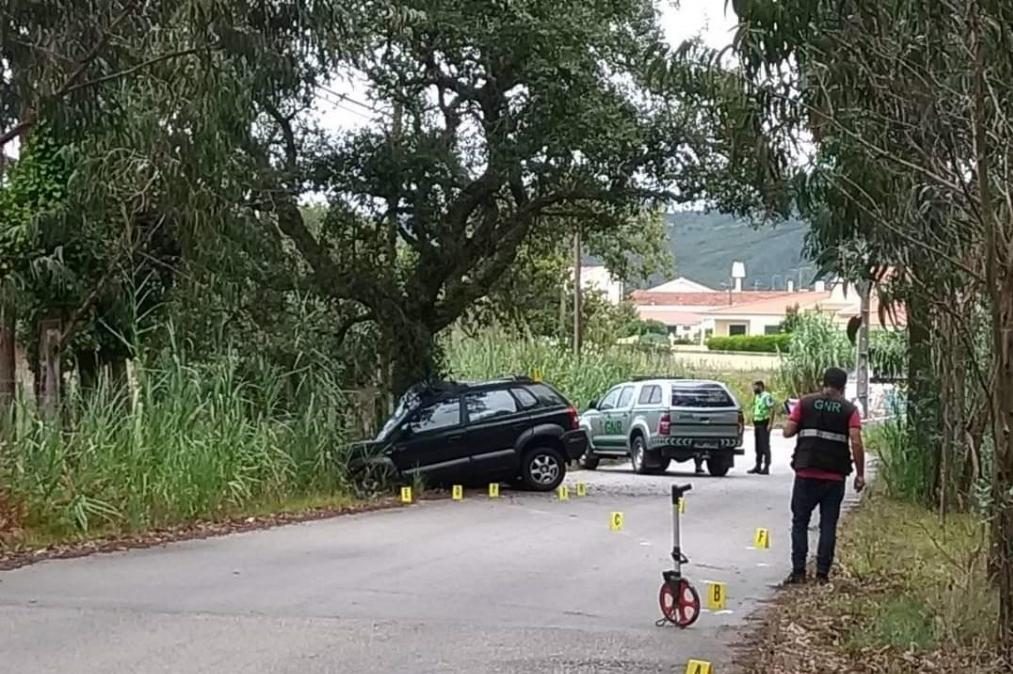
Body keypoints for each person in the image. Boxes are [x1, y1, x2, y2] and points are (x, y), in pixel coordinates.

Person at [781, 367, 866, 584]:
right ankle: (821, 574)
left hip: (806, 472)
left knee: (800, 522)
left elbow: (787, 432)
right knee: (828, 524)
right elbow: (856, 441)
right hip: (834, 476)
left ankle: (798, 572)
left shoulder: (805, 403)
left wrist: (792, 419)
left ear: (823, 382)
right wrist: (860, 474)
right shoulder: (849, 410)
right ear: (843, 386)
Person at [747, 380, 775, 475]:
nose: (754, 389)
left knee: (765, 446)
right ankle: (758, 465)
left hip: (764, 423)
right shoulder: (757, 397)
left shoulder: (767, 396)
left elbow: (772, 409)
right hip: (757, 423)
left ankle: (766, 466)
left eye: (756, 387)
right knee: (758, 446)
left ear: (761, 387)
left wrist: (770, 424)